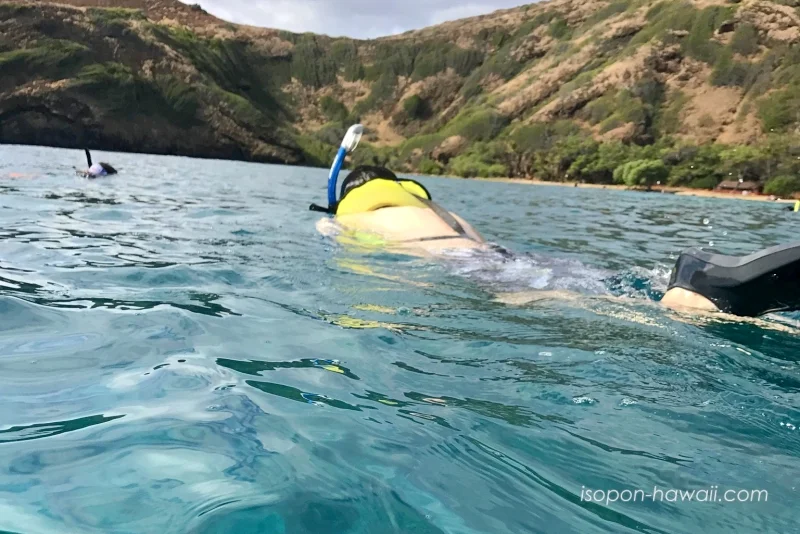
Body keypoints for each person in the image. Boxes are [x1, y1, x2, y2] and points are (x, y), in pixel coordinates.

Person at [317, 165, 800, 319]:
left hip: (466, 264)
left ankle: (686, 302)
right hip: (508, 255)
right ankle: (694, 276)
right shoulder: (438, 209)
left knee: (529, 297)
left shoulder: (350, 215)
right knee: (603, 282)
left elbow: (329, 235)